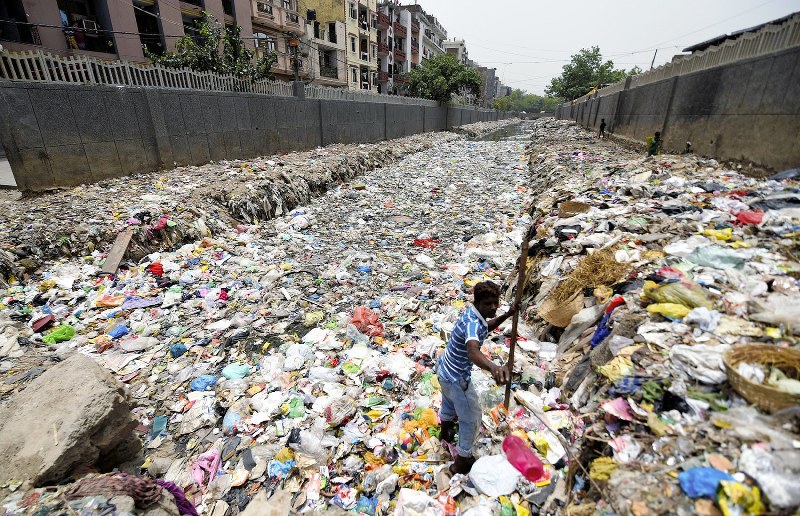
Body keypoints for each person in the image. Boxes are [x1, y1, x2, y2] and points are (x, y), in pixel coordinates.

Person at [436, 281, 515, 474]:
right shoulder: (472, 323)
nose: (494, 307)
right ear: (477, 302)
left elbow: (484, 327)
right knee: (471, 417)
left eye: (496, 302)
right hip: (456, 378)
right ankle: (461, 462)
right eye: (488, 304)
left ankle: (444, 433)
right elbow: (472, 351)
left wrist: (507, 314)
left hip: (444, 370)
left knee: (449, 402)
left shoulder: (473, 314)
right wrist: (494, 367)